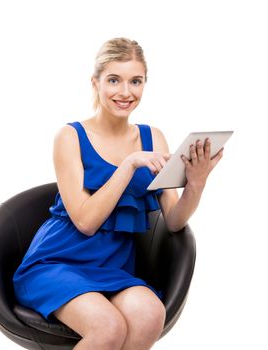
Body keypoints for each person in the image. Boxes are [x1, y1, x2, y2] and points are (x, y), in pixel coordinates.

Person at [13, 37, 224, 350]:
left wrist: (196, 183)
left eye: (135, 81)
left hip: (112, 268)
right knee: (107, 327)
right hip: (56, 263)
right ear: (95, 82)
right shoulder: (70, 136)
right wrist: (128, 164)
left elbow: (175, 221)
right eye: (114, 80)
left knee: (151, 314)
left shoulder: (154, 137)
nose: (126, 93)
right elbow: (85, 221)